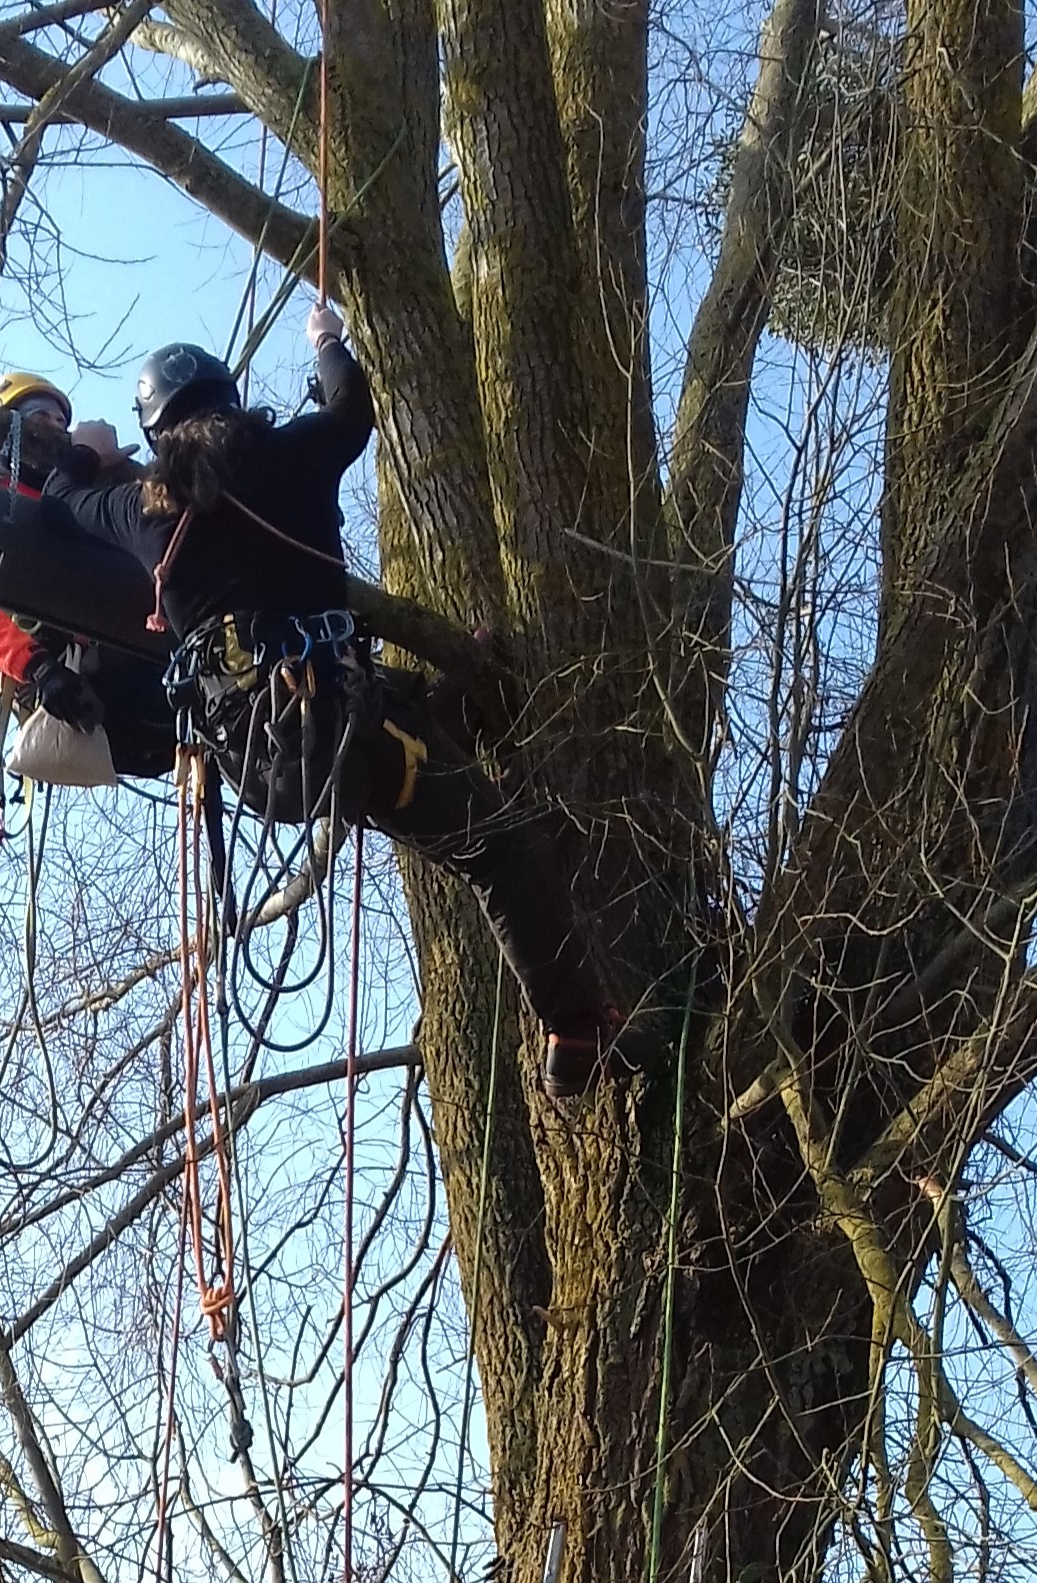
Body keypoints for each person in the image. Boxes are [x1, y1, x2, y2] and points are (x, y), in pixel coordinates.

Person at [44, 312, 657, 1098]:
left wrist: (84, 450)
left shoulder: (144, 511)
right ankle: (574, 1029)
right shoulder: (294, 454)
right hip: (347, 728)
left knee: (411, 712)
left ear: (157, 432)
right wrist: (327, 341)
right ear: (228, 398)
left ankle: (449, 712)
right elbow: (350, 409)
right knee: (499, 851)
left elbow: (63, 498)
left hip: (263, 759)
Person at [0, 369, 177, 780]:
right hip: (70, 681)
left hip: (147, 671)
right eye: (40, 416)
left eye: (61, 421)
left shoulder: (75, 499)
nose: (55, 427)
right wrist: (41, 669)